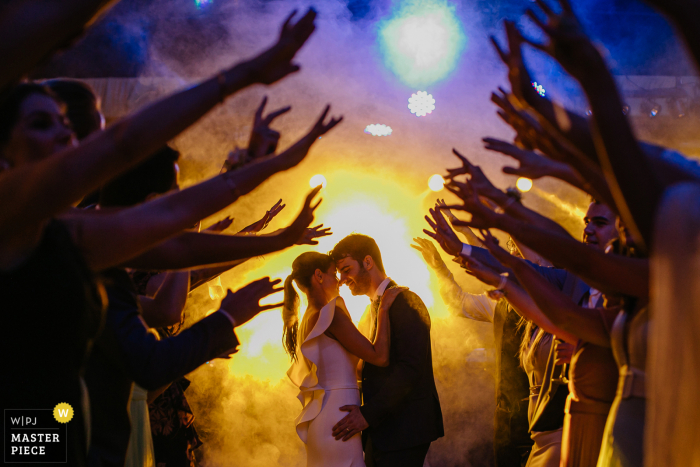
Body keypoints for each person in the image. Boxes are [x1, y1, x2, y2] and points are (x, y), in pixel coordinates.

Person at [325, 234, 443, 467]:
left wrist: (367, 415)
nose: (342, 279)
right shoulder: (367, 313)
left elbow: (410, 369)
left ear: (368, 262)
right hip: (381, 430)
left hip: (405, 430)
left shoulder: (407, 301)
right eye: (339, 273)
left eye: (346, 269)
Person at [284, 251, 404, 467]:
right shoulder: (330, 314)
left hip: (330, 417)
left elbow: (356, 368)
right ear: (318, 276)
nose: (339, 280)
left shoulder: (309, 316)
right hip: (339, 419)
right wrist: (383, 309)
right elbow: (380, 356)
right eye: (333, 273)